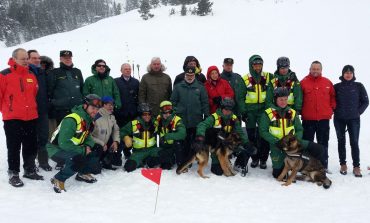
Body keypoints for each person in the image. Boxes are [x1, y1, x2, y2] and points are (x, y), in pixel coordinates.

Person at [0, 48, 44, 187]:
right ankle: (13, 173)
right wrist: (8, 110)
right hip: (12, 118)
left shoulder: (31, 74)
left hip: (31, 116)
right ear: (14, 59)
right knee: (14, 146)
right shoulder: (4, 75)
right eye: (23, 59)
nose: (26, 61)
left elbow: (34, 93)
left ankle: (29, 170)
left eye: (26, 58)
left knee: (30, 145)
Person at [259, 87, 326, 178]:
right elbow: (263, 131)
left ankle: (315, 168)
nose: (283, 102)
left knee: (319, 149)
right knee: (278, 174)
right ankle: (288, 166)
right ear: (275, 100)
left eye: (286, 99)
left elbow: (299, 129)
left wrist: (296, 139)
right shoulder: (268, 113)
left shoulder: (292, 112)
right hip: (278, 144)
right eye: (281, 99)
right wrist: (276, 141)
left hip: (294, 143)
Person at [47, 94, 102, 193]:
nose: (95, 111)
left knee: (97, 149)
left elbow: (87, 136)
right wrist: (83, 150)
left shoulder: (88, 119)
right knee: (78, 159)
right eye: (93, 108)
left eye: (97, 109)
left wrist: (90, 146)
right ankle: (58, 179)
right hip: (56, 149)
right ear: (85, 106)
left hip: (71, 147)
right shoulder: (72, 119)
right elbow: (63, 143)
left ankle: (82, 173)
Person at [196, 98, 257, 176]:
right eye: (225, 109)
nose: (227, 111)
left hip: (230, 144)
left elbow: (240, 132)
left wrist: (246, 143)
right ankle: (221, 161)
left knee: (247, 148)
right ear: (221, 108)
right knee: (218, 172)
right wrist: (200, 135)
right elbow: (202, 125)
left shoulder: (234, 118)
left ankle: (238, 164)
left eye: (230, 109)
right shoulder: (214, 117)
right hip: (218, 146)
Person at [334, 65, 369, 177]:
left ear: (353, 74)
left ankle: (356, 166)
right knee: (341, 141)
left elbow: (365, 101)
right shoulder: (337, 87)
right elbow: (331, 101)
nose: (348, 74)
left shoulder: (358, 86)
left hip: (354, 119)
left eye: (350, 72)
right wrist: (334, 109)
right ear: (343, 74)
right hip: (339, 118)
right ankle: (343, 164)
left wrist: (358, 112)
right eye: (346, 72)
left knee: (354, 142)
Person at [301, 61, 336, 170]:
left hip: (323, 119)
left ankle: (323, 166)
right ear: (310, 69)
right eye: (313, 69)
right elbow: (299, 99)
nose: (315, 71)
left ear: (321, 70)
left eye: (317, 69)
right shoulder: (303, 83)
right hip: (308, 119)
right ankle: (307, 166)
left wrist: (331, 109)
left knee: (323, 143)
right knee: (307, 143)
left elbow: (333, 98)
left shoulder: (327, 82)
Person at [171, 66, 209, 163]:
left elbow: (204, 102)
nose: (189, 77)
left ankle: (195, 157)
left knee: (195, 140)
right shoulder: (178, 87)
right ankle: (185, 159)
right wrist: (176, 113)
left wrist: (206, 114)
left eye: (192, 75)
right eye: (188, 75)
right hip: (182, 119)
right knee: (184, 140)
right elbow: (173, 102)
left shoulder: (200, 87)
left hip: (196, 118)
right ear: (185, 74)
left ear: (194, 75)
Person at [241, 55, 273, 169]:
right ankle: (254, 158)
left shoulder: (269, 76)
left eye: (260, 64)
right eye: (255, 65)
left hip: (264, 111)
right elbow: (240, 97)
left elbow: (281, 79)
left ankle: (263, 159)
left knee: (264, 135)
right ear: (251, 65)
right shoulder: (245, 78)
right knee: (251, 136)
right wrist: (243, 112)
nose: (258, 67)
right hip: (250, 111)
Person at [28, 50, 52, 171]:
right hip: (28, 112)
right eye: (33, 58)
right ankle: (30, 164)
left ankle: (43, 161)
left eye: (38, 58)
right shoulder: (26, 72)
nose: (37, 60)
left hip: (42, 111)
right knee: (31, 139)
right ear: (27, 59)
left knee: (43, 137)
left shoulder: (42, 73)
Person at [120, 103, 161, 172]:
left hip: (152, 150)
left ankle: (147, 160)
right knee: (128, 167)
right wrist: (126, 137)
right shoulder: (134, 124)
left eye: (149, 114)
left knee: (155, 163)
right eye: (145, 114)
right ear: (140, 115)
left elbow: (166, 121)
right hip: (138, 152)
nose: (147, 116)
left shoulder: (155, 123)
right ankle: (142, 160)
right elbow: (121, 131)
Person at [47, 50, 84, 125]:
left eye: (69, 58)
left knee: (78, 133)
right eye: (65, 58)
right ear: (60, 59)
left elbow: (82, 88)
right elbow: (49, 91)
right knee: (64, 133)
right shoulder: (54, 72)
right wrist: (54, 103)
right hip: (61, 110)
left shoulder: (77, 71)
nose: (68, 60)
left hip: (77, 109)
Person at [114, 63, 140, 160]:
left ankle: (130, 151)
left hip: (133, 113)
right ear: (121, 70)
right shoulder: (116, 81)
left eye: (129, 69)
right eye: (125, 69)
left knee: (133, 133)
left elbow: (139, 96)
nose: (128, 70)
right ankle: (120, 153)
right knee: (122, 133)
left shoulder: (136, 82)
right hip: (121, 113)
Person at [91, 96, 120, 170]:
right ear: (103, 105)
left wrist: (116, 141)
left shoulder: (112, 117)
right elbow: (88, 136)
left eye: (112, 104)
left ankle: (106, 162)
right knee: (96, 170)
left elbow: (116, 130)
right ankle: (95, 161)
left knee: (120, 142)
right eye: (109, 104)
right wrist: (101, 143)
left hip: (105, 145)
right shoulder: (95, 117)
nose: (111, 106)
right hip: (95, 146)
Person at [156, 101, 186, 169]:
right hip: (164, 146)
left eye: (169, 112)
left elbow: (182, 134)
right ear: (161, 112)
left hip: (174, 146)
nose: (167, 114)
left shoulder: (177, 120)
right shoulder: (158, 119)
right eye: (165, 112)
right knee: (160, 164)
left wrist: (166, 137)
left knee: (178, 143)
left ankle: (180, 163)